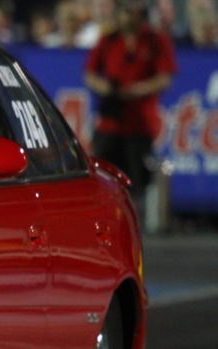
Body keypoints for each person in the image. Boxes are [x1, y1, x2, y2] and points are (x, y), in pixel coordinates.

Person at [84, 0, 176, 211]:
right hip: (110, 119)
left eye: (135, 12)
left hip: (139, 120)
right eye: (127, 11)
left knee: (137, 177)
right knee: (102, 172)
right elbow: (90, 74)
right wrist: (105, 87)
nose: (131, 17)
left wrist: (139, 89)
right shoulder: (109, 39)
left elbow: (165, 77)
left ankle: (135, 214)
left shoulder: (154, 40)